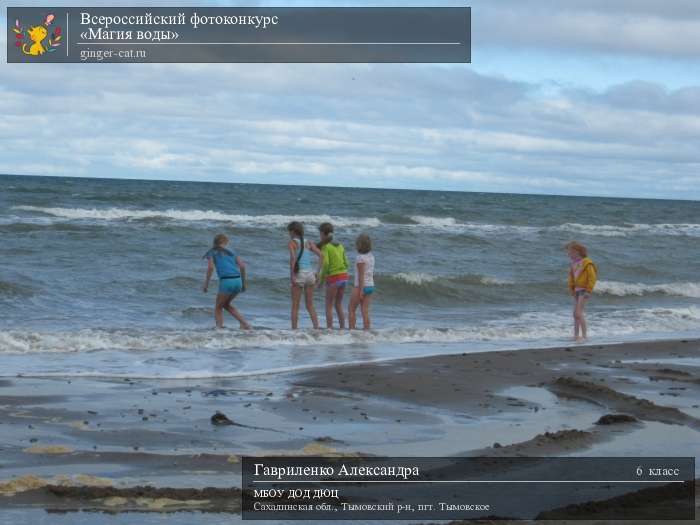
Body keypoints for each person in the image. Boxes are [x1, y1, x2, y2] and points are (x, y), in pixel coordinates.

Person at [203, 233, 251, 330]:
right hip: (238, 280)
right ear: (225, 242)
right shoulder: (232, 251)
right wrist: (243, 283)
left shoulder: (212, 252)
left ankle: (219, 329)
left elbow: (210, 268)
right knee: (226, 305)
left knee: (218, 307)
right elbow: (242, 266)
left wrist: (206, 284)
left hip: (226, 281)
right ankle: (245, 324)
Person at [287, 221, 323, 329]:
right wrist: (318, 272)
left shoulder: (292, 243)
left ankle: (294, 331)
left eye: (289, 232)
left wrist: (292, 276)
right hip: (310, 274)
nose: (289, 234)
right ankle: (317, 328)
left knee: (295, 306)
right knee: (310, 305)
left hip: (299, 274)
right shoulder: (309, 242)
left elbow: (293, 259)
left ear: (293, 231)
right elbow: (321, 256)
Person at [317, 222, 350, 329]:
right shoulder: (340, 245)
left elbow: (325, 264)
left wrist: (321, 279)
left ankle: (329, 330)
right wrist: (342, 269)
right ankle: (342, 328)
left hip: (333, 278)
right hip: (344, 277)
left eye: (320, 234)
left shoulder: (325, 247)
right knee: (338, 304)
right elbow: (347, 263)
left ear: (322, 233)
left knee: (329, 306)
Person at [566, 241, 597, 342]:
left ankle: (584, 336)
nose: (569, 255)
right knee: (575, 314)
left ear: (577, 252)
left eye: (570, 253)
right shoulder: (574, 264)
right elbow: (571, 278)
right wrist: (572, 289)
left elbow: (592, 278)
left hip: (584, 290)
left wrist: (588, 290)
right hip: (576, 291)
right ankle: (576, 336)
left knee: (579, 313)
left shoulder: (587, 263)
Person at [348, 233, 375, 330]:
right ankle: (367, 331)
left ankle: (351, 330)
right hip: (370, 285)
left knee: (351, 309)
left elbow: (361, 275)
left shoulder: (360, 258)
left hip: (361, 286)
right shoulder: (371, 256)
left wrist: (360, 290)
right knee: (365, 311)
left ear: (359, 245)